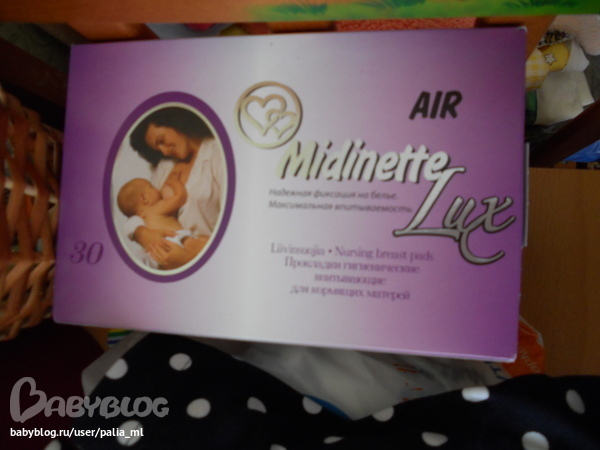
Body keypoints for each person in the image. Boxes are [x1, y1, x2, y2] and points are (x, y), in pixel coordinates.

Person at [123, 106, 224, 270]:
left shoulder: (218, 153)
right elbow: (139, 210)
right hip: (164, 261)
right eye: (158, 148)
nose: (164, 151)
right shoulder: (165, 166)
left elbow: (236, 226)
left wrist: (191, 255)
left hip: (207, 261)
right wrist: (142, 234)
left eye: (162, 140)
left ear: (175, 122)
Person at [117, 171, 208, 269]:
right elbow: (180, 197)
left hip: (154, 252)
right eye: (151, 187)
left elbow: (130, 227)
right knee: (204, 242)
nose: (157, 189)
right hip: (176, 239)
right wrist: (173, 181)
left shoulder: (140, 220)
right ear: (143, 198)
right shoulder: (155, 208)